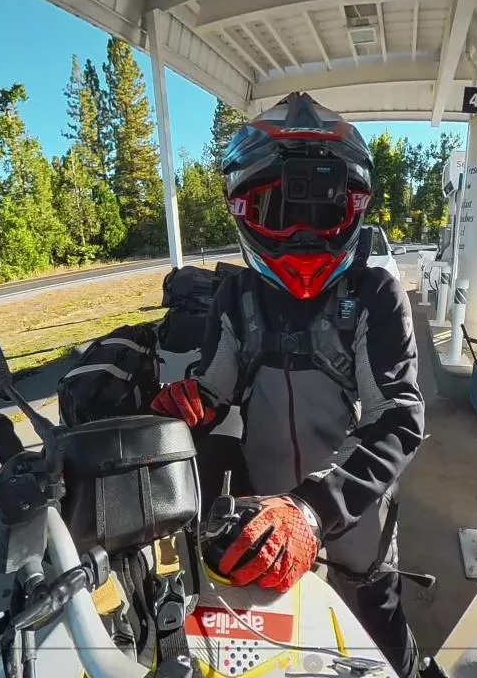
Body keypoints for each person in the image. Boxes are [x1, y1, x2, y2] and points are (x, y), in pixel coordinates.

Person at [150, 92, 427, 678]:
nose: (302, 232)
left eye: (322, 211)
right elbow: (216, 386)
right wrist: (192, 400)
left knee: (378, 622)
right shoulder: (236, 295)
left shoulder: (374, 292)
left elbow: (398, 414)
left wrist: (311, 510)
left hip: (351, 502)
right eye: (279, 210)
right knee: (270, 645)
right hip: (263, 506)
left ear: (352, 208)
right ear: (246, 210)